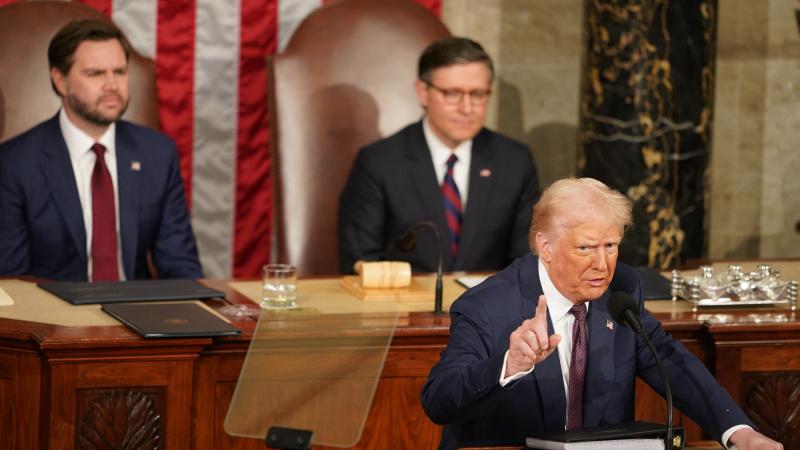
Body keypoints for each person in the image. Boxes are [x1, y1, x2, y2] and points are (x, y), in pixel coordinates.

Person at [421, 178, 782, 450]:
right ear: (545, 246)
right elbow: (438, 400)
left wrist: (739, 433)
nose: (602, 263)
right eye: (586, 248)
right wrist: (509, 365)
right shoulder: (487, 306)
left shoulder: (623, 288)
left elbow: (672, 363)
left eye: (611, 246)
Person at [0, 19, 202, 281]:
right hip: (54, 318)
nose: (112, 85)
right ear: (60, 81)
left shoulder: (158, 153)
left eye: (119, 72)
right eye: (95, 74)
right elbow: (11, 282)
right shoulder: (14, 163)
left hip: (137, 314)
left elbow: (180, 266)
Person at [338, 37, 540, 274]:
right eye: (452, 94)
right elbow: (362, 262)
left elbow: (526, 261)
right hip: (401, 307)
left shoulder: (514, 162)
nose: (466, 108)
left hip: (490, 307)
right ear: (423, 92)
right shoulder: (379, 163)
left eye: (477, 94)